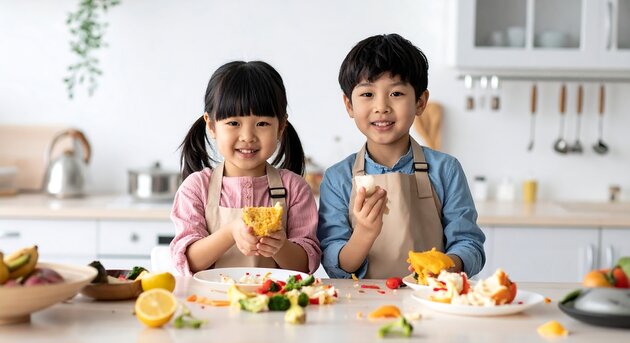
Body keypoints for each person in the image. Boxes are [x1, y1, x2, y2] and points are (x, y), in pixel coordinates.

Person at [318, 34, 485, 279]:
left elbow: (470, 245)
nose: (381, 106)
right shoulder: (337, 178)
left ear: (420, 102)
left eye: (396, 94)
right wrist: (364, 232)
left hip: (431, 300)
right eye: (367, 94)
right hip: (360, 306)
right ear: (349, 105)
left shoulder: (445, 169)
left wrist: (445, 264)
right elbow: (335, 264)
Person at [170, 61, 321, 276]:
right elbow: (188, 262)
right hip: (211, 304)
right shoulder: (196, 187)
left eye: (262, 124)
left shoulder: (294, 188)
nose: (248, 137)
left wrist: (281, 247)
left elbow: (305, 266)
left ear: (281, 126)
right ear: (211, 125)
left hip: (274, 305)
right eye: (233, 123)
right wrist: (231, 231)